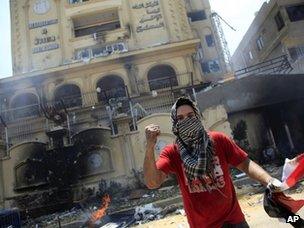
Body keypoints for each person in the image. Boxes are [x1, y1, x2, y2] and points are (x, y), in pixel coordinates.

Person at [144, 97, 282, 228]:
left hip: (233, 220)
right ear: (175, 124)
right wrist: (150, 146)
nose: (186, 121)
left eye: (190, 116)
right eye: (180, 118)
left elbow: (245, 164)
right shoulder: (173, 152)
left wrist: (269, 180)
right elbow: (152, 182)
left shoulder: (218, 140)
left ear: (197, 117)